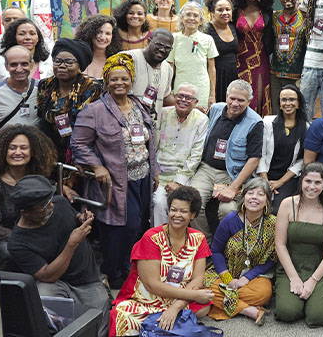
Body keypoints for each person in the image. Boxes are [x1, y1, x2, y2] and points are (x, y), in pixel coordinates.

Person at [71, 53, 160, 289]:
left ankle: (127, 268)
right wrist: (97, 166)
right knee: (120, 227)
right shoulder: (94, 111)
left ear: (131, 80)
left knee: (138, 223)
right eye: (113, 79)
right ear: (106, 81)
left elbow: (149, 142)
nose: (119, 83)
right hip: (115, 181)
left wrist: (156, 171)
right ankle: (112, 272)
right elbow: (78, 143)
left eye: (124, 79)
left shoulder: (139, 105)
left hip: (142, 176)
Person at [6, 176, 110, 337]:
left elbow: (73, 216)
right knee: (41, 301)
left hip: (87, 280)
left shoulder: (59, 204)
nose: (51, 206)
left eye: (49, 201)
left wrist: (82, 218)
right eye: (44, 206)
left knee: (98, 322)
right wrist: (71, 244)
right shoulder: (18, 242)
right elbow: (48, 276)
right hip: (57, 283)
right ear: (25, 212)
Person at [110, 187, 215, 335]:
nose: (177, 215)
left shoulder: (198, 238)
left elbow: (198, 278)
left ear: (193, 215)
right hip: (147, 298)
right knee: (123, 316)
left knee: (204, 306)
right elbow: (152, 285)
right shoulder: (152, 238)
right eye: (173, 210)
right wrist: (193, 296)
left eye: (183, 211)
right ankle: (167, 322)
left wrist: (176, 306)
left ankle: (166, 321)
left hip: (179, 295)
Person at [0, 125, 61, 267]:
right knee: (17, 253)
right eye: (12, 148)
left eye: (23, 148)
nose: (18, 152)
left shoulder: (35, 177)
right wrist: (31, 238)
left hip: (18, 232)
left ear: (33, 151)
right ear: (3, 151)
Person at [189, 80, 264, 239]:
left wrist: (234, 187)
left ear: (249, 102)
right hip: (206, 169)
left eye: (241, 100)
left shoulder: (255, 122)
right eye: (232, 98)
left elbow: (254, 159)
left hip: (232, 174)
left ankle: (226, 246)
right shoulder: (215, 109)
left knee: (227, 210)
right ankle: (206, 243)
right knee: (192, 201)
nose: (235, 103)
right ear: (226, 96)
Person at [274, 162, 323, 326]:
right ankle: (296, 298)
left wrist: (313, 281)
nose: (312, 187)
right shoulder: (287, 204)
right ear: (301, 182)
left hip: (321, 268)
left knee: (317, 316)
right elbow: (280, 245)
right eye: (308, 181)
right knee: (287, 312)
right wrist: (294, 278)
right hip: (293, 266)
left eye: (317, 182)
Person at [203, 178, 277, 324]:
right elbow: (216, 251)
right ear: (243, 198)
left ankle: (224, 302)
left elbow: (272, 258)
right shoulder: (231, 219)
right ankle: (248, 310)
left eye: (260, 194)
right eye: (250, 193)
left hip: (255, 276)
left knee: (264, 294)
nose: (254, 197)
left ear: (267, 201)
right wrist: (227, 279)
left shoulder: (273, 224)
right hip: (227, 272)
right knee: (206, 285)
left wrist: (247, 278)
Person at [36, 38, 104, 163]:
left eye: (68, 62)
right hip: (48, 150)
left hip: (80, 150)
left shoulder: (91, 88)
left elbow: (93, 125)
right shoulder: (45, 85)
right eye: (58, 61)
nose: (62, 66)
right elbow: (41, 114)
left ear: (80, 66)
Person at [152, 83, 209, 226]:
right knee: (158, 202)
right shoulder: (163, 113)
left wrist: (179, 181)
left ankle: (175, 239)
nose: (183, 100)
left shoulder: (201, 120)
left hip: (184, 175)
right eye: (180, 96)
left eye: (188, 97)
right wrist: (154, 172)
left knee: (179, 204)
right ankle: (160, 241)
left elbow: (196, 154)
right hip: (158, 174)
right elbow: (152, 145)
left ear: (196, 102)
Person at [0, 18, 53, 103]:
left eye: (32, 34)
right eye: (22, 34)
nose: (27, 37)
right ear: (14, 37)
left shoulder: (48, 61)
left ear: (38, 38)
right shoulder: (0, 61)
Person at [259, 85, 310, 212]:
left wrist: (280, 182)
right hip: (263, 175)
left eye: (292, 99)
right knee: (258, 204)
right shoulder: (267, 123)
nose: (288, 103)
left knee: (277, 209)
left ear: (298, 103)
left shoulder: (306, 127)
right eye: (284, 100)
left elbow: (301, 160)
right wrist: (266, 182)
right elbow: (261, 154)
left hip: (288, 179)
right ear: (280, 104)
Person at [232, 0, 275, 116]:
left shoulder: (267, 11)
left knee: (259, 98)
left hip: (260, 60)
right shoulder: (235, 10)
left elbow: (270, 38)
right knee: (238, 97)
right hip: (239, 61)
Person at [0, 46, 42, 133]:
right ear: (6, 66)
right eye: (13, 65)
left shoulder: (42, 88)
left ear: (31, 65)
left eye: (24, 64)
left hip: (34, 144)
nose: (19, 69)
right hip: (1, 144)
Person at [168, 2, 219, 110]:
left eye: (196, 15)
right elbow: (170, 67)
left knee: (201, 119)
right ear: (181, 18)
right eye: (188, 14)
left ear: (201, 21)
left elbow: (211, 68)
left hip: (202, 87)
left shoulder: (208, 39)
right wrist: (169, 90)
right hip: (180, 87)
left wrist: (212, 95)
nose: (191, 18)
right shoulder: (174, 38)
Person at [270, 0, 308, 115]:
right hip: (274, 72)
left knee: (295, 110)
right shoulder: (274, 17)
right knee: (276, 108)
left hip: (297, 74)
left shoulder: (306, 17)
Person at [120, 29, 175, 119]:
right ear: (148, 42)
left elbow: (166, 97)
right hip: (124, 123)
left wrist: (190, 106)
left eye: (167, 47)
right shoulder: (127, 59)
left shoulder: (168, 69)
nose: (162, 49)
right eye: (159, 45)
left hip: (151, 127)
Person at [204, 0, 239, 104]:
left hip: (234, 76)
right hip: (216, 78)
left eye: (228, 9)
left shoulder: (233, 27)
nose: (225, 13)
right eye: (220, 10)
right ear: (212, 12)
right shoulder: (206, 30)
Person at [74, 14, 122, 80]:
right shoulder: (77, 58)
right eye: (99, 32)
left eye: (107, 33)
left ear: (112, 37)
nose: (103, 37)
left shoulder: (116, 61)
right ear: (90, 33)